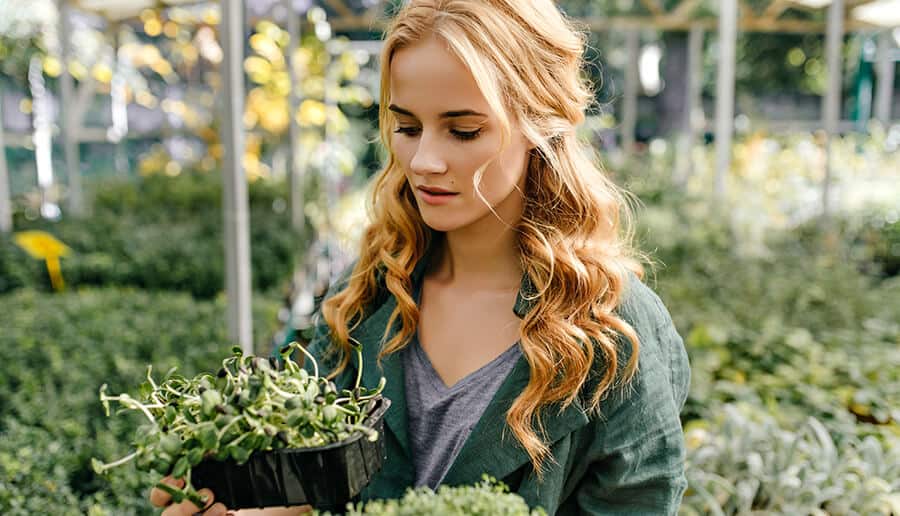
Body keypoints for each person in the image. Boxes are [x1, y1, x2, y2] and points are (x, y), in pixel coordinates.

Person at [151, 0, 691, 514]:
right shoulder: (370, 291)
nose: (424, 160)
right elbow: (315, 484)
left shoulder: (612, 330)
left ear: (539, 121)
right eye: (407, 128)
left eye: (462, 131)